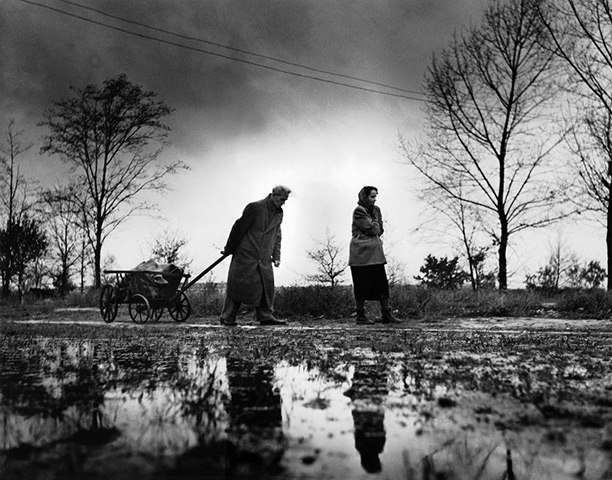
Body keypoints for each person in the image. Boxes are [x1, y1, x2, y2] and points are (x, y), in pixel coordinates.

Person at [219, 185, 291, 326]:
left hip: (264, 257)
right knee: (237, 285)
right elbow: (238, 228)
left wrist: (276, 255)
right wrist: (229, 248)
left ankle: (265, 316)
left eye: (285, 200)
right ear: (273, 195)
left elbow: (277, 234)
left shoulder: (278, 213)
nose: (283, 203)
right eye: (282, 199)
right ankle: (227, 316)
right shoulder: (254, 207)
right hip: (246, 254)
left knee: (266, 285)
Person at [348, 186, 401, 325]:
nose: (374, 199)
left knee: (381, 283)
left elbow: (380, 229)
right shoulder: (359, 211)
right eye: (372, 197)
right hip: (361, 254)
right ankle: (360, 315)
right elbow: (372, 229)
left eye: (375, 196)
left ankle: (386, 314)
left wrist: (375, 225)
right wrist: (375, 226)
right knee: (361, 284)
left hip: (375, 253)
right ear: (365, 197)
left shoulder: (376, 210)